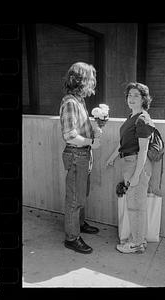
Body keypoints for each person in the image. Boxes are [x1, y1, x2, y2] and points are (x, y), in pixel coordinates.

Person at [106, 82, 155, 254]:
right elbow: (123, 142)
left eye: (136, 95)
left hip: (137, 165)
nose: (131, 98)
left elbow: (143, 150)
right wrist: (112, 158)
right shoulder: (132, 117)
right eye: (129, 95)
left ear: (144, 99)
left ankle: (136, 244)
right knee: (136, 205)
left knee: (135, 207)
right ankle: (139, 240)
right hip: (130, 163)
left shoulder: (142, 119)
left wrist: (135, 175)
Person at [59, 62, 102, 254]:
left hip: (83, 154)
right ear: (81, 81)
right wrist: (91, 142)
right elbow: (69, 135)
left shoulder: (80, 101)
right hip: (77, 155)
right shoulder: (70, 102)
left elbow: (81, 129)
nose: (93, 83)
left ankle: (79, 224)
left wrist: (97, 125)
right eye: (91, 79)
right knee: (75, 198)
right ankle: (72, 237)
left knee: (82, 194)